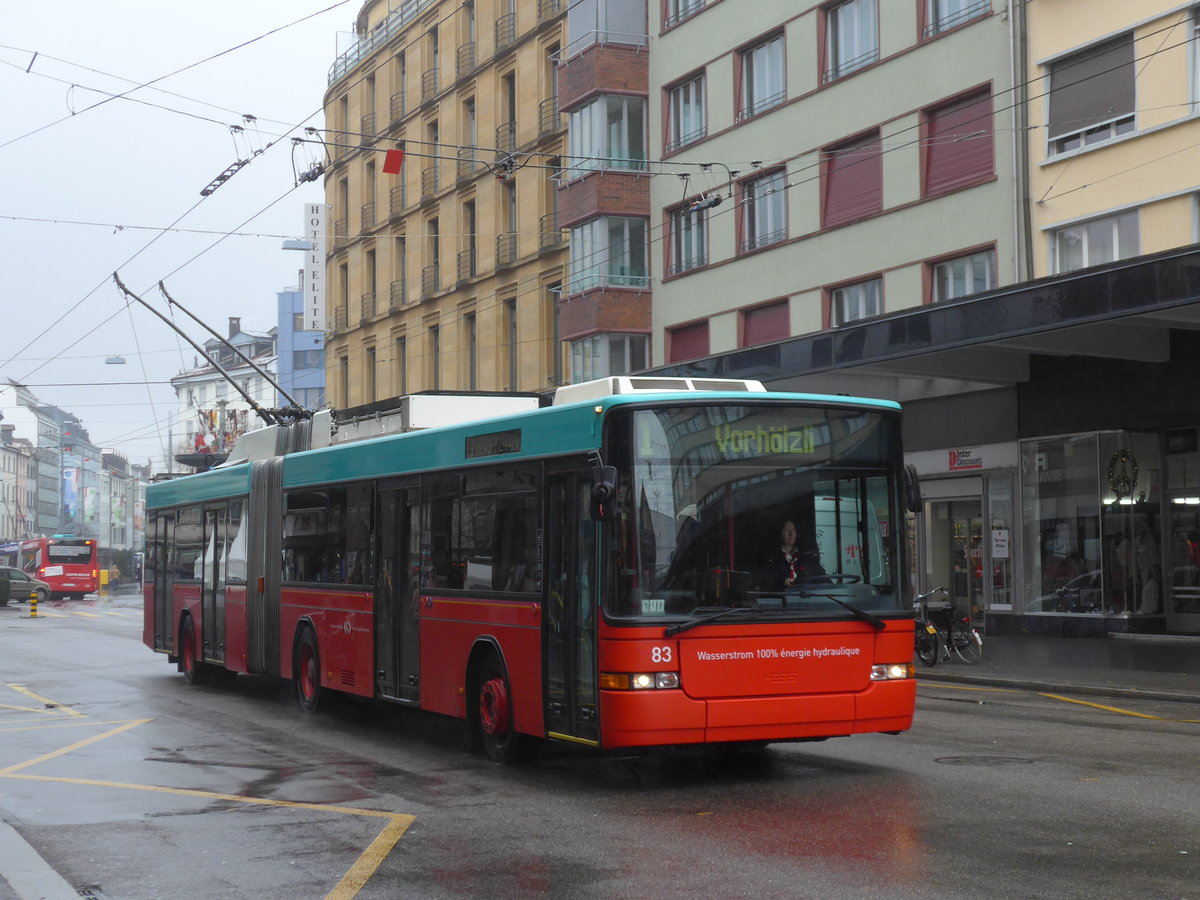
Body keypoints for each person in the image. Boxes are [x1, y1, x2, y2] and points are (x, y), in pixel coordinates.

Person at [766, 520, 824, 590]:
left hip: (807, 597)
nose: (791, 534)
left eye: (793, 530)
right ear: (780, 533)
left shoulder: (806, 557)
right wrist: (782, 582)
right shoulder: (772, 558)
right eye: (786, 530)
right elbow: (768, 581)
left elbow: (821, 576)